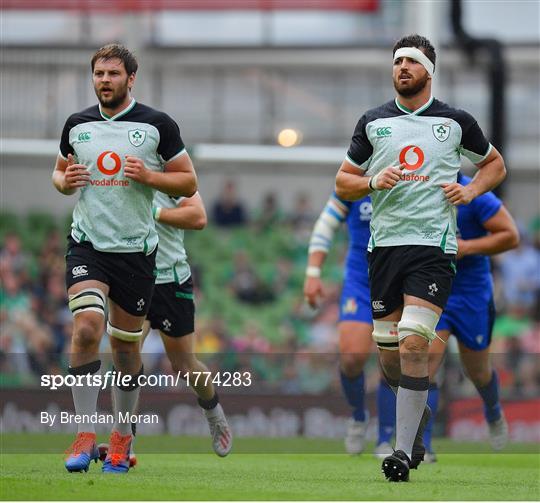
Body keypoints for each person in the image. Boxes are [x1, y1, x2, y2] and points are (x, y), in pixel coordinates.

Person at [335, 34, 506, 481]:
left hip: (433, 248)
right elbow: (342, 183)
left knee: (415, 343)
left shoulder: (455, 122)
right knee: (390, 358)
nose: (403, 68)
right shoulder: (373, 123)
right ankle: (417, 419)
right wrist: (373, 181)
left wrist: (470, 190)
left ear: (430, 70)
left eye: (412, 62)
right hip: (384, 250)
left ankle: (401, 452)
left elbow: (495, 165)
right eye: (397, 62)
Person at [53, 44, 197, 473]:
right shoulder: (77, 125)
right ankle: (83, 432)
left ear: (130, 78)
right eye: (99, 73)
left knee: (126, 351)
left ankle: (122, 437)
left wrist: (151, 176)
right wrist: (65, 182)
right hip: (89, 245)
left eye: (113, 73)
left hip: (136, 252)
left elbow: (188, 182)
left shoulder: (157, 126)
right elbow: (60, 173)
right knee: (86, 328)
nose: (105, 80)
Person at [376, 174, 519, 461]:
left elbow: (510, 235)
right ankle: (423, 444)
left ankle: (493, 411)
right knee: (425, 361)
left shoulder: (474, 193)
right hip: (431, 290)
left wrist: (466, 247)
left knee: (477, 371)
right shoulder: (416, 187)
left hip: (471, 296)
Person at [102, 191, 233, 466]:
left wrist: (155, 214)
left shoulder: (171, 172)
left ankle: (213, 411)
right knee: (126, 357)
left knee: (184, 366)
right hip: (133, 278)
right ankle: (125, 440)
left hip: (171, 280)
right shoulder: (120, 176)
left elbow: (198, 217)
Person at [304, 193, 380, 454]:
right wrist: (313, 273)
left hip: (399, 278)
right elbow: (326, 223)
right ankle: (358, 416)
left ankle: (389, 436)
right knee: (351, 357)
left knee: (396, 359)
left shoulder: (414, 173)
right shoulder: (354, 178)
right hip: (360, 281)